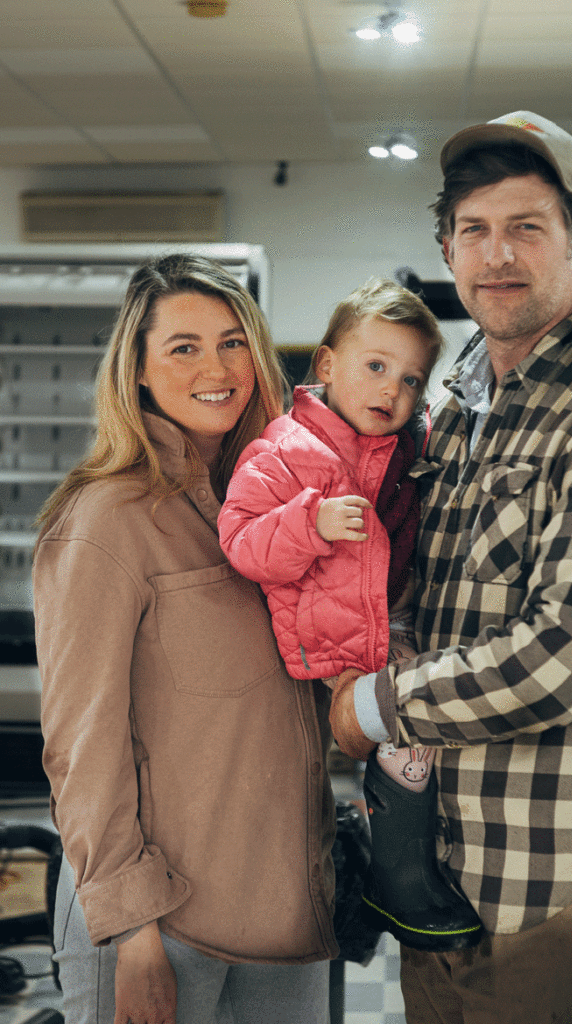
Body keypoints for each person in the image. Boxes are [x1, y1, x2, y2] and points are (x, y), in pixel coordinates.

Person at [329, 111, 572, 1023]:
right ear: (445, 249)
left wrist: (369, 705)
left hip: (560, 893)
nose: (498, 255)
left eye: (528, 227)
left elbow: (561, 658)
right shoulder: (453, 406)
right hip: (439, 881)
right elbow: (423, 597)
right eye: (475, 231)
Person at [33, 253, 338, 1024]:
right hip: (160, 921)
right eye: (184, 346)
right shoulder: (108, 519)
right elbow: (82, 741)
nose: (217, 366)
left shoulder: (282, 514)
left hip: (284, 918)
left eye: (234, 342)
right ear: (136, 371)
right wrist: (133, 929)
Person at [218, 278, 482, 951]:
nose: (390, 390)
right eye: (375, 367)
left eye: (409, 378)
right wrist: (310, 522)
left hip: (390, 624)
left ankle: (404, 862)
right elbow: (243, 543)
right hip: (330, 643)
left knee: (432, 728)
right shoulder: (280, 451)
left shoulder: (406, 446)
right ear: (327, 365)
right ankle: (397, 879)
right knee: (403, 735)